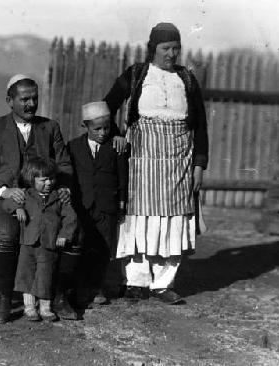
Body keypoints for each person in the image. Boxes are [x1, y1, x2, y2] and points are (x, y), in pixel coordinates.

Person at [104, 23, 208, 304]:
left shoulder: (186, 79)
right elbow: (107, 106)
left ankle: (163, 283)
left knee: (173, 220)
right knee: (139, 219)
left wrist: (199, 165)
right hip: (142, 162)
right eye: (166, 48)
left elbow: (200, 125)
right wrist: (116, 137)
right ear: (153, 49)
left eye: (176, 48)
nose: (172, 54)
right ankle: (136, 281)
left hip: (179, 163)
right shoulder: (137, 74)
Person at [0, 75, 72, 323]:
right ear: (10, 101)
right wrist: (4, 191)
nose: (31, 104)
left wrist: (63, 188)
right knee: (7, 234)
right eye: (24, 99)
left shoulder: (50, 128)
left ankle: (56, 297)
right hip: (8, 201)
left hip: (43, 202)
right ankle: (3, 298)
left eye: (34, 98)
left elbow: (64, 164)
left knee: (61, 234)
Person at [67, 102, 128, 308]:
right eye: (97, 129)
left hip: (106, 206)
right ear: (85, 126)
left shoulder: (116, 147)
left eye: (107, 128)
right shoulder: (73, 147)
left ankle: (97, 287)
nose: (103, 133)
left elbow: (122, 178)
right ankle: (80, 287)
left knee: (103, 248)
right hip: (82, 206)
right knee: (82, 246)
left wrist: (121, 205)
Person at [2, 157, 77, 322]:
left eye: (51, 179)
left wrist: (64, 235)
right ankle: (29, 308)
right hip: (28, 243)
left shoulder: (59, 197)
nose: (49, 183)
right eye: (44, 180)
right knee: (26, 275)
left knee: (45, 275)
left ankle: (45, 308)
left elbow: (70, 217)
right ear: (32, 179)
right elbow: (6, 204)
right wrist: (17, 209)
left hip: (48, 244)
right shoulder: (26, 195)